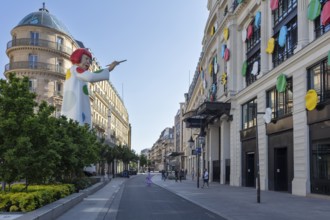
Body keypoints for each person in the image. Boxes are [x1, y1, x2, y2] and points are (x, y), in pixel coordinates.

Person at [61, 48, 121, 126]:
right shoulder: (76, 69)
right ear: (78, 57)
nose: (88, 62)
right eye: (86, 58)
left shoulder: (72, 71)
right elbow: (91, 77)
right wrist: (109, 69)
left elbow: (90, 75)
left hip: (71, 107)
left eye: (89, 61)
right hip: (76, 111)